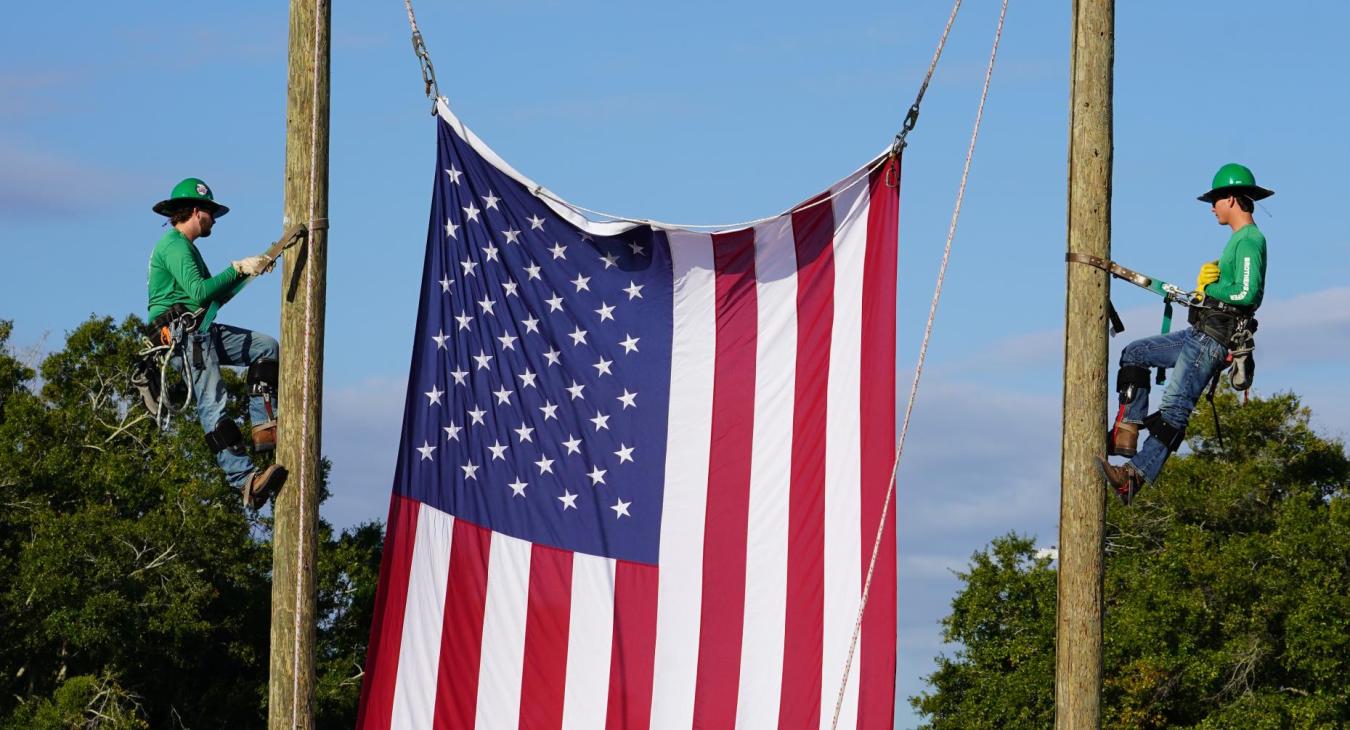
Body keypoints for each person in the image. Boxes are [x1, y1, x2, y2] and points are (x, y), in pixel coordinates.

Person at [1099, 163, 1270, 504]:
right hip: (1199, 332)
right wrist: (1210, 287)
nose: (1212, 207)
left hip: (1214, 339)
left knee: (1175, 408)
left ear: (1232, 199)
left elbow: (1248, 294)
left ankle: (1133, 476)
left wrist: (1212, 288)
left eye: (1216, 200)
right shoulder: (1236, 241)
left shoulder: (1250, 239)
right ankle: (1126, 432)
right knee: (1135, 354)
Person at [146, 177, 287, 509]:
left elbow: (212, 299)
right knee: (213, 402)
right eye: (211, 213)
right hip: (184, 335)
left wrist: (247, 272)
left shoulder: (186, 248)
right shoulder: (174, 244)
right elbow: (199, 292)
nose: (214, 221)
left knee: (265, 347)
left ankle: (265, 428)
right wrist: (235, 267)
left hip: (199, 328)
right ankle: (244, 480)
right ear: (198, 212)